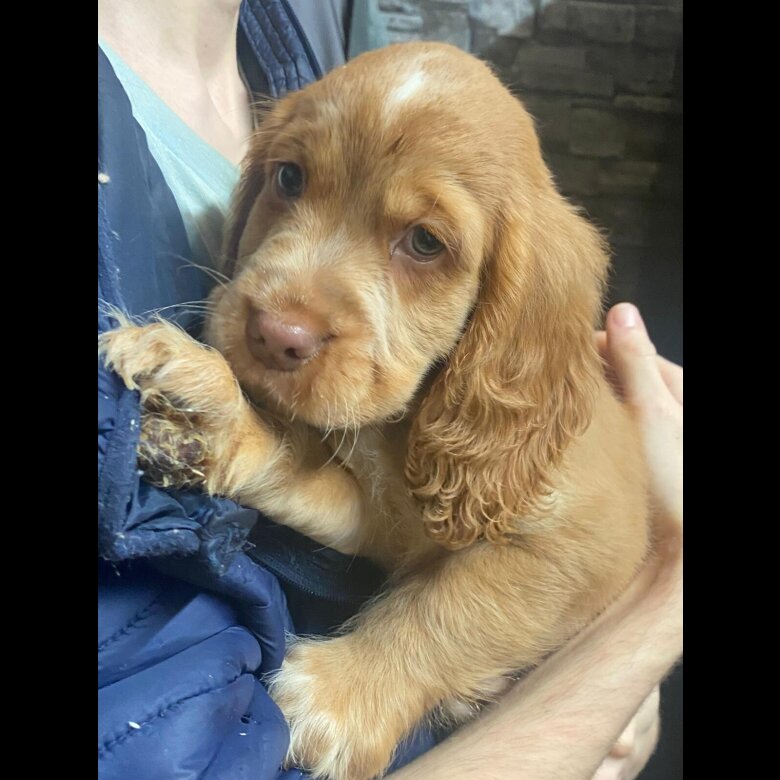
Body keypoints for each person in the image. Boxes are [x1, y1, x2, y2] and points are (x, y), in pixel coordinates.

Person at [97, 2, 682, 778]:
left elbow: (536, 540)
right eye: (292, 179)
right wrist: (629, 653)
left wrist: (391, 672)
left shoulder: (279, 38)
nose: (285, 320)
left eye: (425, 241)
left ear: (507, 299)